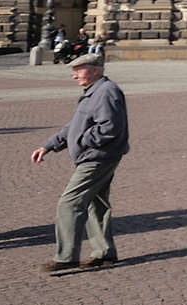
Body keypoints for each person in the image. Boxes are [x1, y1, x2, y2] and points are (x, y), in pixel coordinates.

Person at [30, 54, 128, 273]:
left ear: (94, 70)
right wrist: (49, 145)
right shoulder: (93, 92)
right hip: (97, 155)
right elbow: (75, 125)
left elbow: (110, 128)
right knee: (96, 203)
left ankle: (67, 257)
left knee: (69, 203)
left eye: (79, 70)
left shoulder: (106, 92)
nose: (74, 75)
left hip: (97, 157)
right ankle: (104, 253)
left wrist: (83, 141)